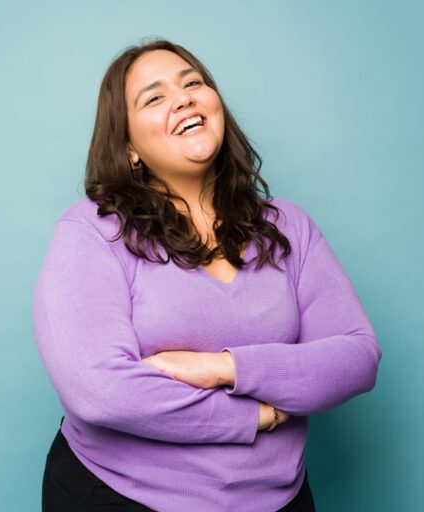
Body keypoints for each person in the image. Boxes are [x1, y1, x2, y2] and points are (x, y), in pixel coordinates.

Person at [31, 38, 382, 512]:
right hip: (121, 497)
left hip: (280, 500)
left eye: (193, 83)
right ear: (129, 146)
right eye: (154, 97)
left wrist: (224, 366)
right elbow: (100, 391)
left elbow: (356, 356)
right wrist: (255, 415)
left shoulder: (289, 226)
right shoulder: (93, 231)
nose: (183, 98)